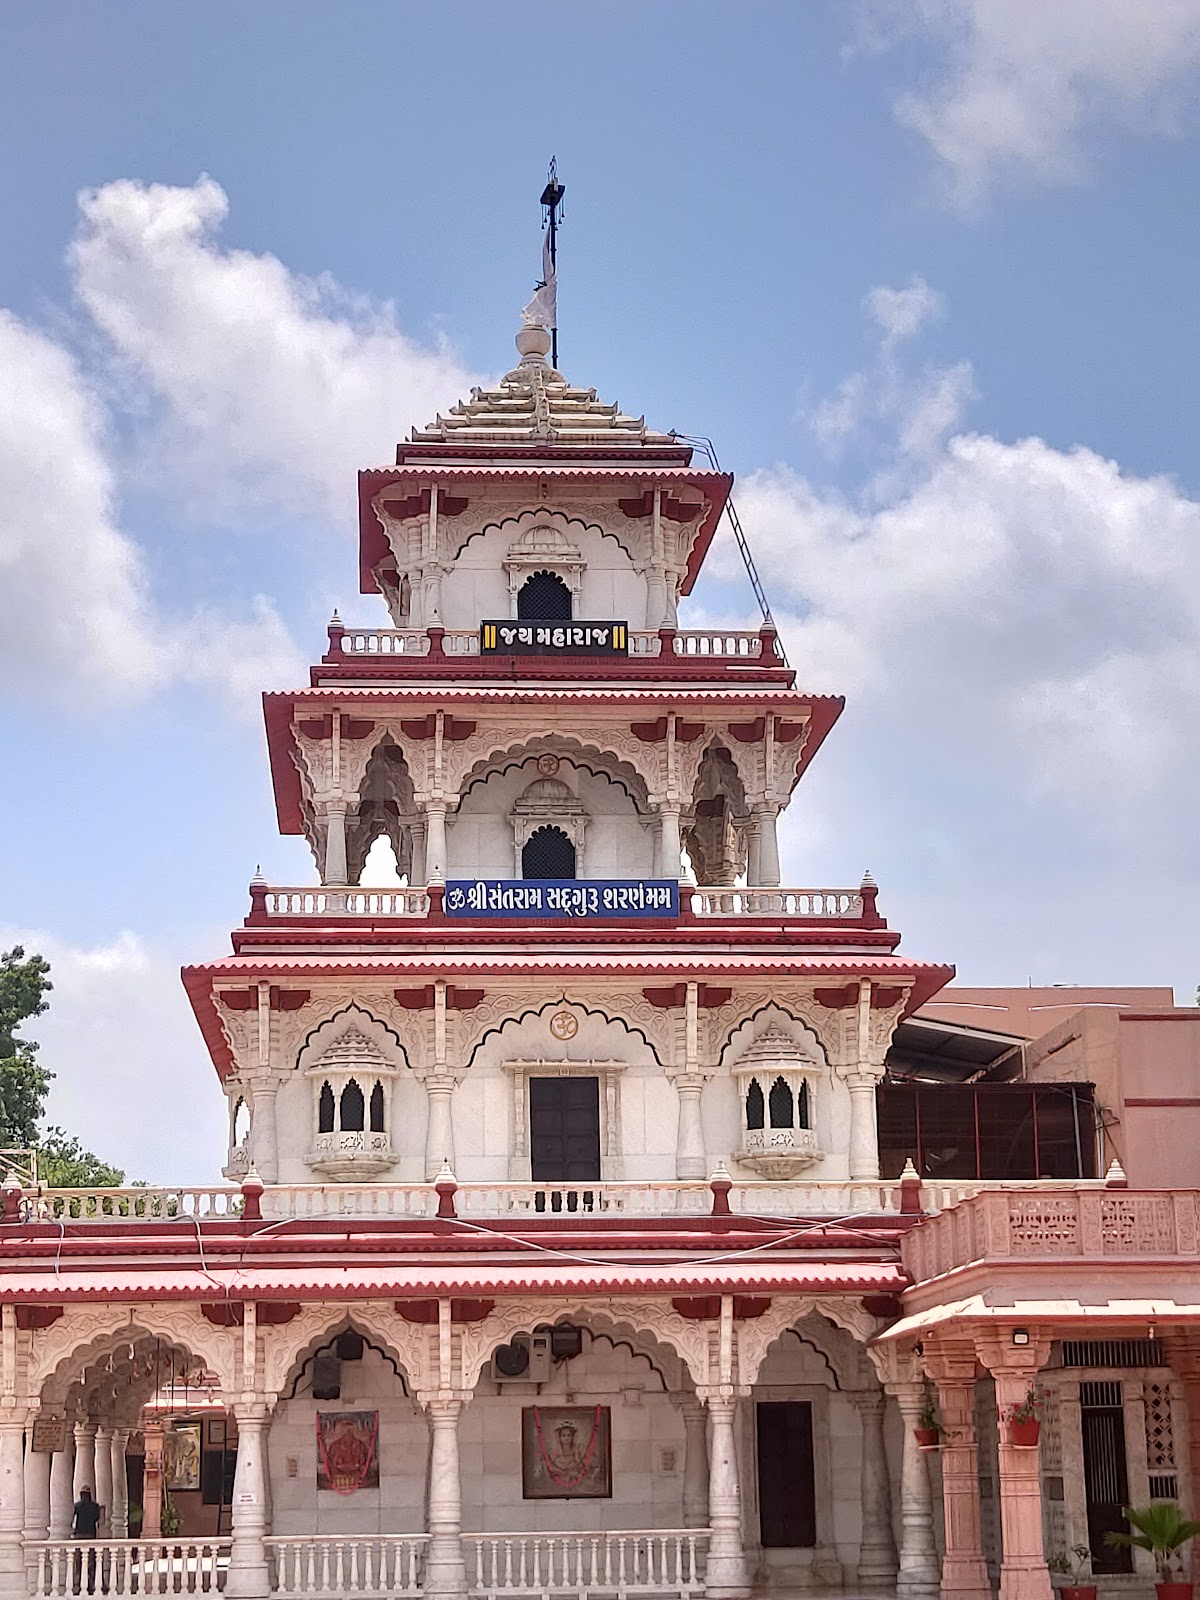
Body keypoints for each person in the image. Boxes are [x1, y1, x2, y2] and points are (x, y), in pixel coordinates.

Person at [72, 1488, 103, 1594]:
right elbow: (97, 1518)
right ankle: (90, 1584)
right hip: (90, 1535)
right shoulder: (95, 1506)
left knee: (79, 1561)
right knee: (90, 1560)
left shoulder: (77, 1506)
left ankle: (79, 1584)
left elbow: (73, 1519)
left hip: (79, 1536)